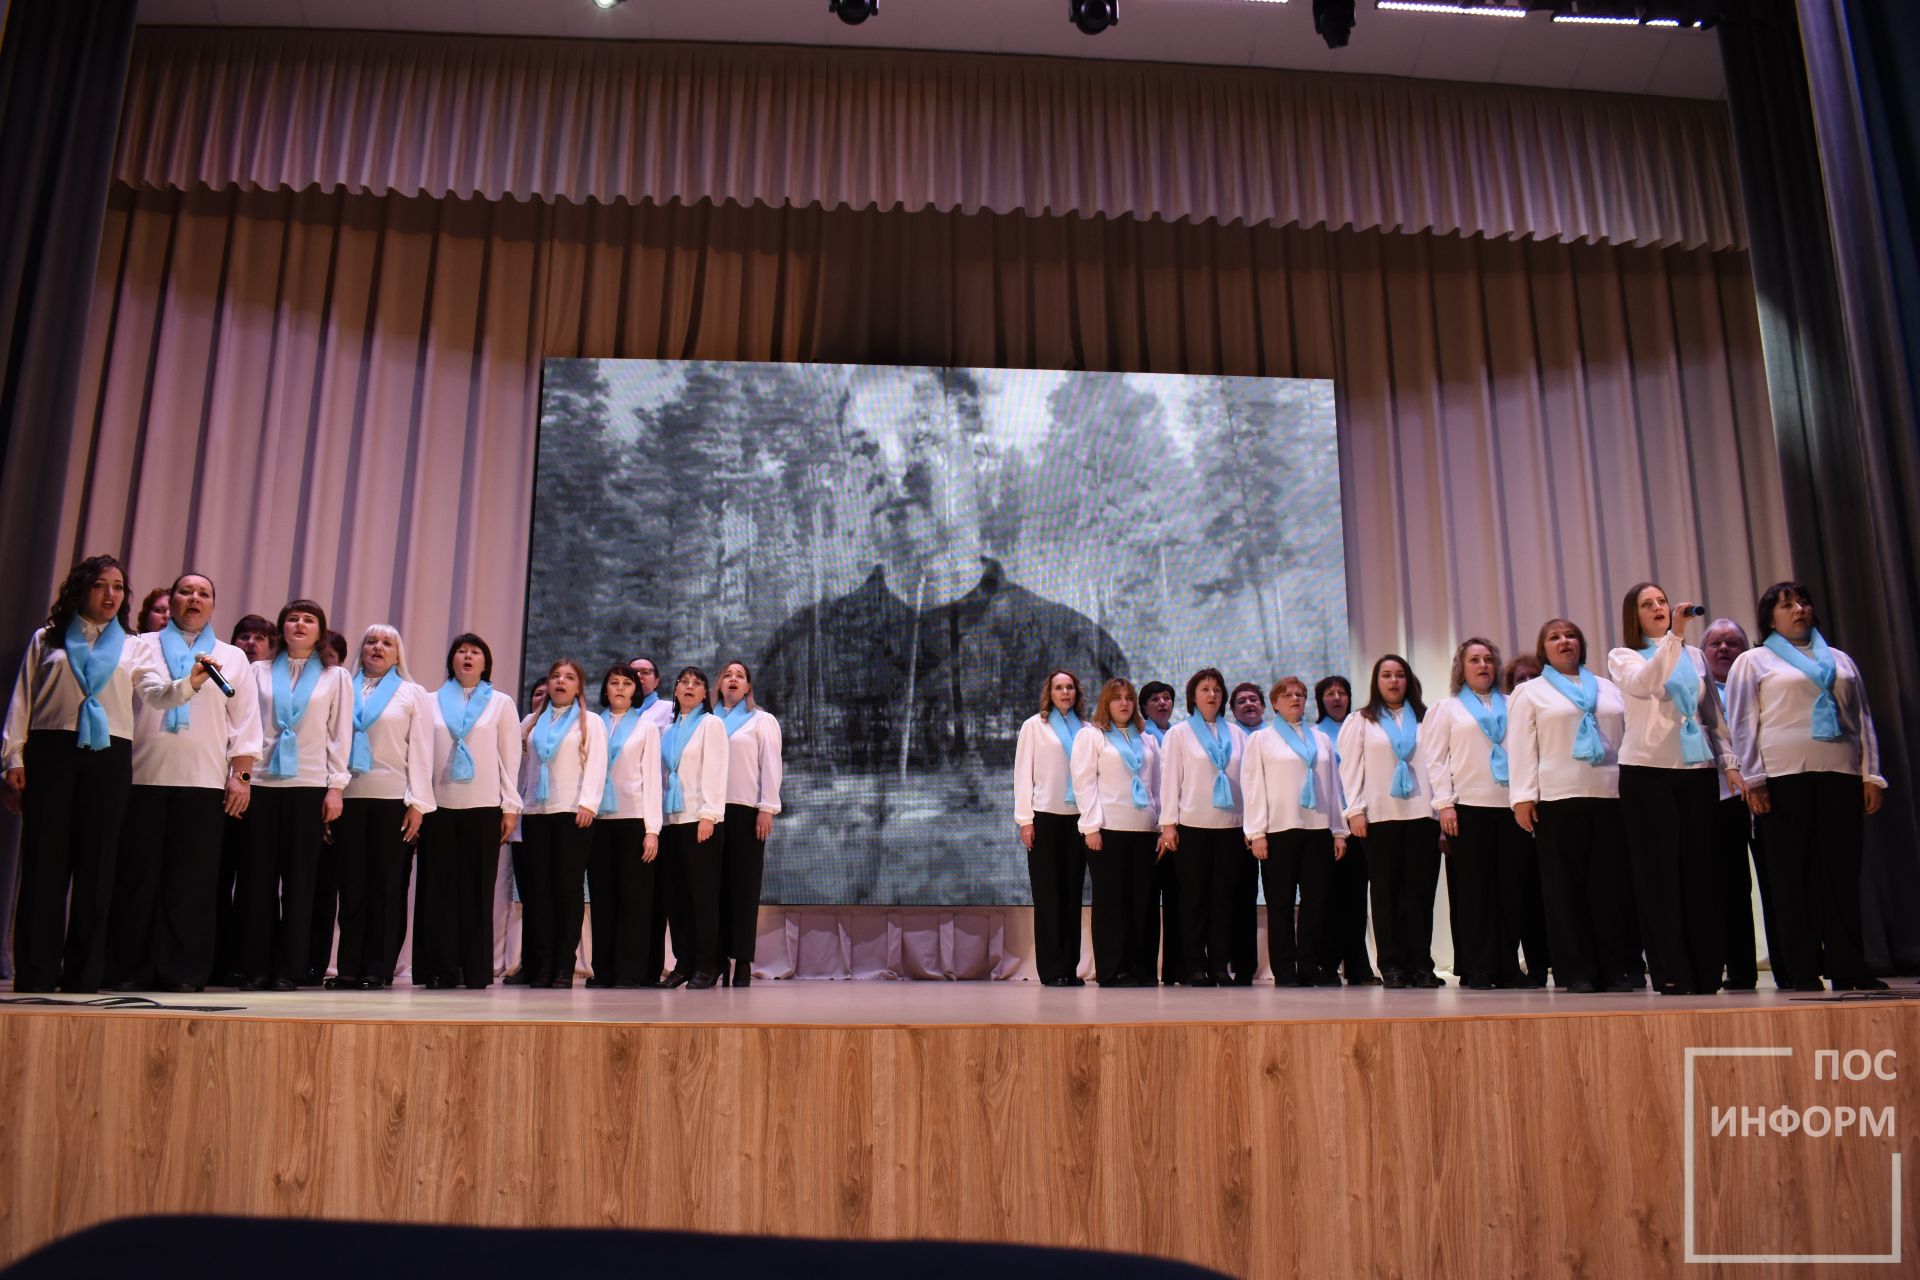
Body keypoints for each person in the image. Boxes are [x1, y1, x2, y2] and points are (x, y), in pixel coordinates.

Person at [1725, 582, 1888, 992]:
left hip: (1840, 774)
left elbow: (1862, 718)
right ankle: (1800, 969)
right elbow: (1742, 722)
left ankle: (1849, 965)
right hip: (1784, 778)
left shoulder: (1840, 660)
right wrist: (1754, 779)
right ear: (1770, 617)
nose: (1799, 610)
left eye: (1803, 602)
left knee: (1841, 874)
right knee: (1791, 877)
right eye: (1787, 605)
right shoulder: (1754, 661)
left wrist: (1872, 774)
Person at [106, 573, 261, 992]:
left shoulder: (231, 657)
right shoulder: (139, 646)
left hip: (204, 781)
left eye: (204, 594)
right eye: (185, 592)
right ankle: (129, 969)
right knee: (135, 879)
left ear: (213, 606)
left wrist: (241, 777)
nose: (194, 598)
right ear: (170, 601)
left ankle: (183, 972)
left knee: (192, 883)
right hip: (141, 776)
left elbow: (246, 723)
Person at [3, 555, 143, 993]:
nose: (111, 594)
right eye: (102, 585)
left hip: (109, 752)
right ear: (81, 589)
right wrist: (13, 758)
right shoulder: (48, 638)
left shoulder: (133, 644)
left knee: (98, 869)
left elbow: (158, 692)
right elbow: (22, 699)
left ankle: (84, 975)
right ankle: (36, 971)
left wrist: (189, 684)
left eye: (118, 587)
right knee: (44, 864)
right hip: (51, 751)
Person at [1608, 582, 1741, 996]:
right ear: (1635, 615)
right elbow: (1648, 683)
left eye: (1662, 601)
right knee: (1658, 877)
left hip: (1696, 769)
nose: (1659, 608)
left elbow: (1710, 713)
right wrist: (1674, 638)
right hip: (1647, 772)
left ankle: (1704, 971)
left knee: (1701, 872)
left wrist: (1730, 764)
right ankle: (1670, 971)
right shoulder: (1624, 656)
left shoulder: (1695, 655)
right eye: (1648, 604)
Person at [1507, 618, 1638, 993]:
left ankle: (1613, 968)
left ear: (1581, 644)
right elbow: (1520, 747)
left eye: (1570, 636)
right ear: (1543, 648)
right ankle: (1575, 970)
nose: (1564, 641)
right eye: (1554, 637)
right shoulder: (1530, 692)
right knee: (1565, 891)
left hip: (1610, 794)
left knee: (1610, 889)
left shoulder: (1609, 689)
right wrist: (1522, 797)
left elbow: (1627, 738)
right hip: (1557, 796)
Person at [240, 599, 352, 990]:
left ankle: (290, 968)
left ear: (319, 632)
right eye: (292, 618)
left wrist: (335, 787)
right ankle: (256, 967)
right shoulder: (257, 671)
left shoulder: (335, 678)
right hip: (262, 784)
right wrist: (240, 775)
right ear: (281, 628)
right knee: (257, 881)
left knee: (301, 883)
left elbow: (340, 736)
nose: (300, 625)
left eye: (309, 620)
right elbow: (245, 724)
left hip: (308, 786)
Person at [1424, 639, 1548, 989]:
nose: (1483, 665)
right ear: (1461, 669)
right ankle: (1477, 967)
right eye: (1474, 660)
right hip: (1467, 807)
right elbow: (1436, 760)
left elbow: (1528, 752)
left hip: (1511, 807)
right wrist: (1445, 804)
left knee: (1512, 890)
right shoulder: (1446, 709)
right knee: (1475, 892)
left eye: (1488, 659)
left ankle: (1507, 966)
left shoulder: (1515, 704)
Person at [328, 625, 435, 990]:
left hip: (393, 800)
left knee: (387, 888)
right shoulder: (343, 688)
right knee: (352, 886)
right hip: (348, 798)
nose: (378, 647)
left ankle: (378, 968)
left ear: (397, 654)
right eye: (371, 641)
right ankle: (348, 968)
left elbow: (420, 752)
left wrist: (418, 803)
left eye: (387, 643)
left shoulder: (412, 694)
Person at [415, 634, 521, 990]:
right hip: (438, 807)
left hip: (484, 807)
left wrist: (510, 806)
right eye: (462, 651)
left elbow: (509, 759)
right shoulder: (428, 701)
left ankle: (475, 970)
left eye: (475, 652)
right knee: (439, 892)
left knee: (477, 891)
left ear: (485, 662)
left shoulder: (501, 703)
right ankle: (441, 969)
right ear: (452, 660)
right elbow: (419, 755)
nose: (468, 657)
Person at [1338, 656, 1440, 989]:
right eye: (1386, 675)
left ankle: (1421, 964)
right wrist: (1354, 810)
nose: (1393, 681)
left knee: (1420, 894)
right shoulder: (1362, 721)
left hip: (1422, 815)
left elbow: (1440, 765)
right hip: (1380, 817)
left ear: (1408, 681)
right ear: (1376, 682)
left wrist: (1441, 809)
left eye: (1399, 675)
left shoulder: (1427, 719)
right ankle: (1392, 964)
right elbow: (1349, 769)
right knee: (1385, 894)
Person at [1241, 676, 1347, 986]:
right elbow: (1253, 787)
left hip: (1317, 828)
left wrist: (1338, 830)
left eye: (1300, 694)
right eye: (1287, 695)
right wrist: (1256, 831)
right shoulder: (1261, 740)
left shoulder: (1321, 739)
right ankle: (1285, 969)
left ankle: (1309, 964)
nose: (1295, 699)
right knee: (1281, 902)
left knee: (1316, 900)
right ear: (1274, 703)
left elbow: (1332, 786)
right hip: (1279, 829)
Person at [517, 659, 608, 988]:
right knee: (539, 892)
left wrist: (589, 803)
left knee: (567, 891)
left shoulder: (590, 722)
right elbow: (524, 769)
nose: (560, 681)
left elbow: (598, 764)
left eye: (569, 677)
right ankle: (542, 964)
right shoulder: (531, 721)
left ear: (578, 687)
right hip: (537, 814)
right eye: (555, 676)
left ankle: (563, 966)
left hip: (573, 813)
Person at [1157, 668, 1249, 987]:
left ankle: (1219, 965)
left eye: (1217, 689)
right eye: (1205, 689)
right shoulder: (1179, 734)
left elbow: (1247, 783)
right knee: (1193, 900)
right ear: (1193, 696)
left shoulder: (1237, 734)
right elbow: (1169, 782)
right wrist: (1168, 824)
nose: (1212, 694)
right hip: (1192, 826)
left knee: (1224, 900)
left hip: (1231, 827)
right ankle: (1194, 965)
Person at [1701, 617, 1776, 990]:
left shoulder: (1762, 686)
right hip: (1721, 795)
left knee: (1778, 882)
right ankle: (1740, 969)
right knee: (1730, 886)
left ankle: (1792, 965)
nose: (1724, 649)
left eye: (1732, 642)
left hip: (1767, 791)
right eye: (1715, 643)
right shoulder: (1699, 694)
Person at [1071, 677, 1162, 987]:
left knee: (1144, 902)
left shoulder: (1146, 739)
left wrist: (1161, 825)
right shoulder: (1093, 737)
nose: (1124, 703)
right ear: (1106, 704)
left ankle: (1142, 968)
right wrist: (1091, 826)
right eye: (1116, 698)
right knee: (1112, 903)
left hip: (1144, 830)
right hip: (1109, 829)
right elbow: (1084, 785)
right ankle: (1113, 969)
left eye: (1128, 698)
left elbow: (1157, 786)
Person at [584, 664, 662, 988]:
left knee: (634, 899)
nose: (619, 688)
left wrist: (652, 830)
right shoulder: (590, 724)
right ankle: (603, 970)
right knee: (602, 898)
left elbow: (653, 781)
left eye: (626, 684)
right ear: (605, 688)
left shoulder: (646, 727)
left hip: (633, 819)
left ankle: (630, 971)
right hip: (596, 821)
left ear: (635, 690)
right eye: (613, 682)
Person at [209, 613, 276, 984]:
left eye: (260, 637)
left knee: (251, 882)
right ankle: (214, 959)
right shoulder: (219, 672)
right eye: (244, 636)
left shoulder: (270, 681)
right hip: (210, 785)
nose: (251, 642)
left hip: (256, 789)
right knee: (215, 878)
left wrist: (244, 776)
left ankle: (241, 961)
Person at [1014, 669, 1090, 987]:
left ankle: (1070, 968)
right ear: (1050, 692)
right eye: (1059, 687)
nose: (1065, 692)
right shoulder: (1034, 727)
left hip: (1078, 819)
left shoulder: (1087, 729)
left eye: (1070, 687)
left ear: (1077, 693)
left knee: (1072, 895)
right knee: (1048, 895)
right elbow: (1023, 774)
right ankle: (1051, 968)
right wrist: (1025, 820)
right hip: (1044, 817)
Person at [657, 666, 729, 989]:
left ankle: (708, 963)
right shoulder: (670, 729)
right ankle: (683, 962)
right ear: (675, 691)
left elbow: (716, 770)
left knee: (702, 897)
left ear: (705, 694)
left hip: (700, 821)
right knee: (677, 899)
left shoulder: (709, 724)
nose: (689, 687)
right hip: (672, 821)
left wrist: (709, 815)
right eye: (683, 682)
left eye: (697, 684)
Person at [714, 661, 781, 988]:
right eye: (727, 675)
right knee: (713, 890)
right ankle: (716, 959)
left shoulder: (761, 721)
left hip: (745, 812)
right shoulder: (705, 721)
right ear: (719, 683)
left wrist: (766, 807)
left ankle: (741, 960)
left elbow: (770, 765)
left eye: (739, 675)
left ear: (748, 685)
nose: (733, 679)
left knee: (743, 889)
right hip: (709, 814)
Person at [1315, 674, 1377, 986]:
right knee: (1330, 899)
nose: (1337, 698)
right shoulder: (1316, 735)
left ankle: (1358, 965)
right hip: (1331, 827)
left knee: (1356, 900)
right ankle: (1327, 964)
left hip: (1361, 823)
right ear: (1320, 700)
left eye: (1342, 693)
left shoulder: (1360, 727)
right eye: (1330, 693)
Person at [1137, 679, 1182, 983]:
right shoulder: (1140, 739)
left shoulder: (1182, 736)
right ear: (1144, 707)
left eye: (1167, 698)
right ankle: (1144, 970)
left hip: (1181, 832)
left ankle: (1177, 969)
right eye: (1155, 699)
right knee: (1147, 903)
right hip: (1151, 832)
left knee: (1180, 903)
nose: (1163, 703)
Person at [628, 656, 676, 734]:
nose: (638, 676)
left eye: (645, 672)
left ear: (656, 682)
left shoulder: (670, 709)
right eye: (632, 672)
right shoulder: (614, 713)